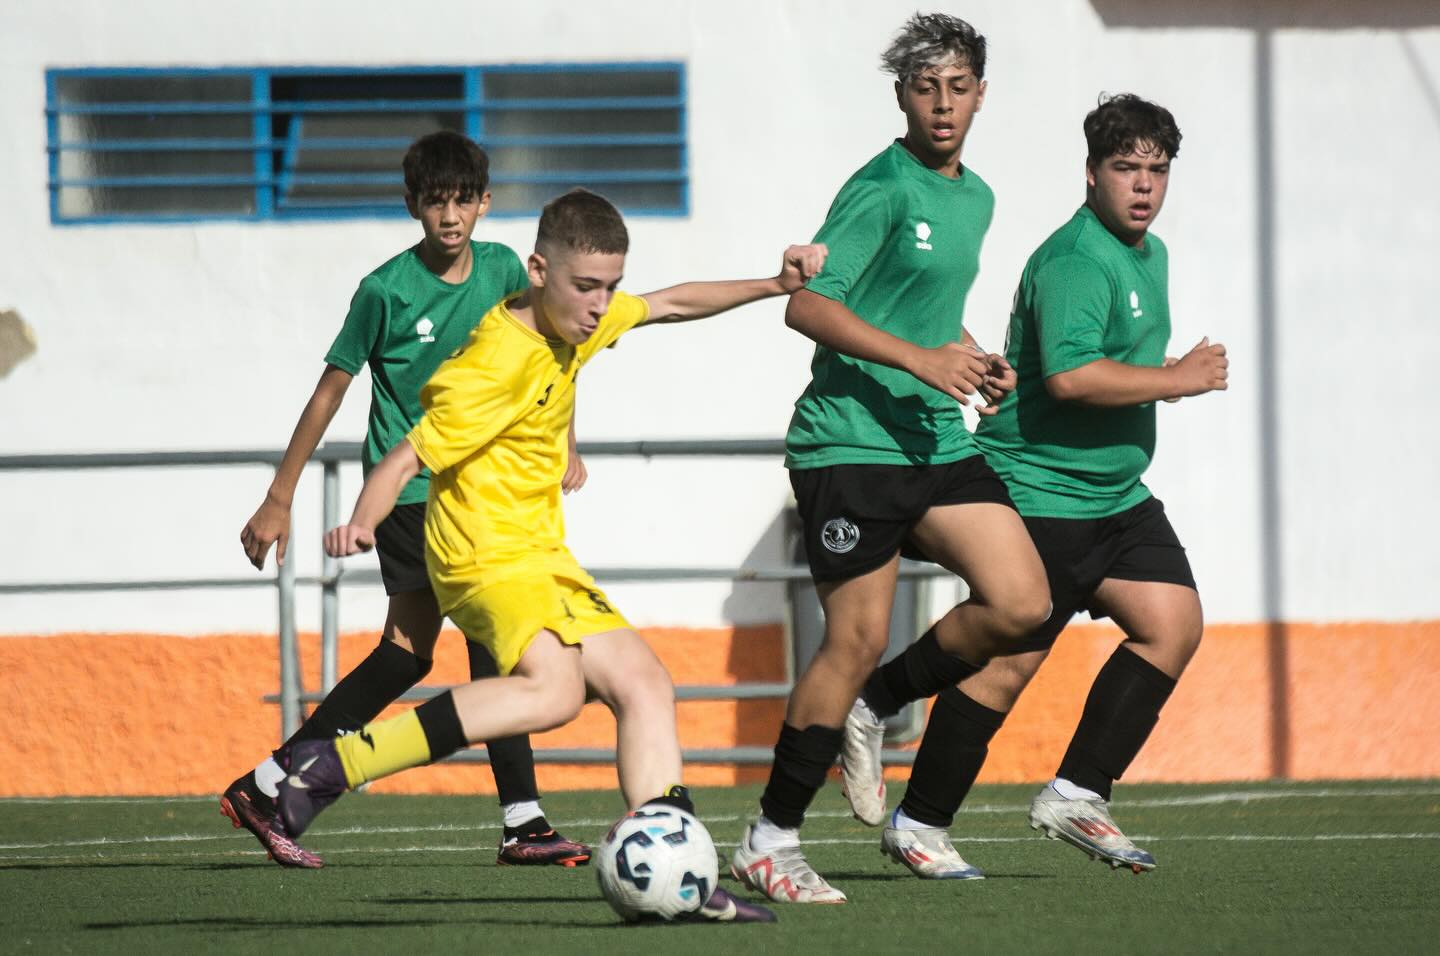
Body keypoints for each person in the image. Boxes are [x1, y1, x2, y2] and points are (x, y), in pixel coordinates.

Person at [277, 187, 828, 922]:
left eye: (610, 287)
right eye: (586, 286)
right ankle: (332, 765)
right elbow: (406, 457)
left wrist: (773, 285)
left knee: (644, 683)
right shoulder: (494, 358)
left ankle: (683, 876)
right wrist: (361, 523)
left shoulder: (578, 324)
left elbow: (669, 304)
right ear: (538, 270)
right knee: (556, 691)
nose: (602, 305)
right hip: (480, 555)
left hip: (540, 555)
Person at [841, 93, 1228, 878]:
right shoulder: (1078, 259)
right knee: (1006, 665)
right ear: (1091, 175)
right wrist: (1174, 379)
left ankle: (1077, 793)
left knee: (1173, 622)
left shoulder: (1148, 254)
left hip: (1115, 496)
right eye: (1126, 168)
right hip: (1040, 491)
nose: (1144, 186)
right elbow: (1075, 377)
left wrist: (1165, 381)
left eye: (1156, 171)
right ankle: (910, 796)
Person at [727, 12, 1052, 905]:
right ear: (900, 94)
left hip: (934, 438)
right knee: (855, 634)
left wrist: (974, 357)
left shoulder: (976, 197)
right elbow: (810, 309)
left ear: (982, 93)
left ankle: (877, 703)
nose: (942, 105)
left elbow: (924, 307)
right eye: (924, 87)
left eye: (958, 88)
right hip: (850, 443)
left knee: (1024, 601)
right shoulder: (879, 188)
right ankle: (770, 839)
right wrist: (923, 361)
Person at [223, 131, 588, 869]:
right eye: (433, 200)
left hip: (480, 495)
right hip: (416, 495)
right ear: (412, 205)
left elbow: (548, 351)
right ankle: (523, 821)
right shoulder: (384, 290)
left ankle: (267, 783)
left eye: (460, 199)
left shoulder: (506, 269)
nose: (447, 215)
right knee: (496, 641)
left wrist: (566, 442)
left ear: (484, 203)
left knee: (407, 655)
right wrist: (279, 495)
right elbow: (331, 390)